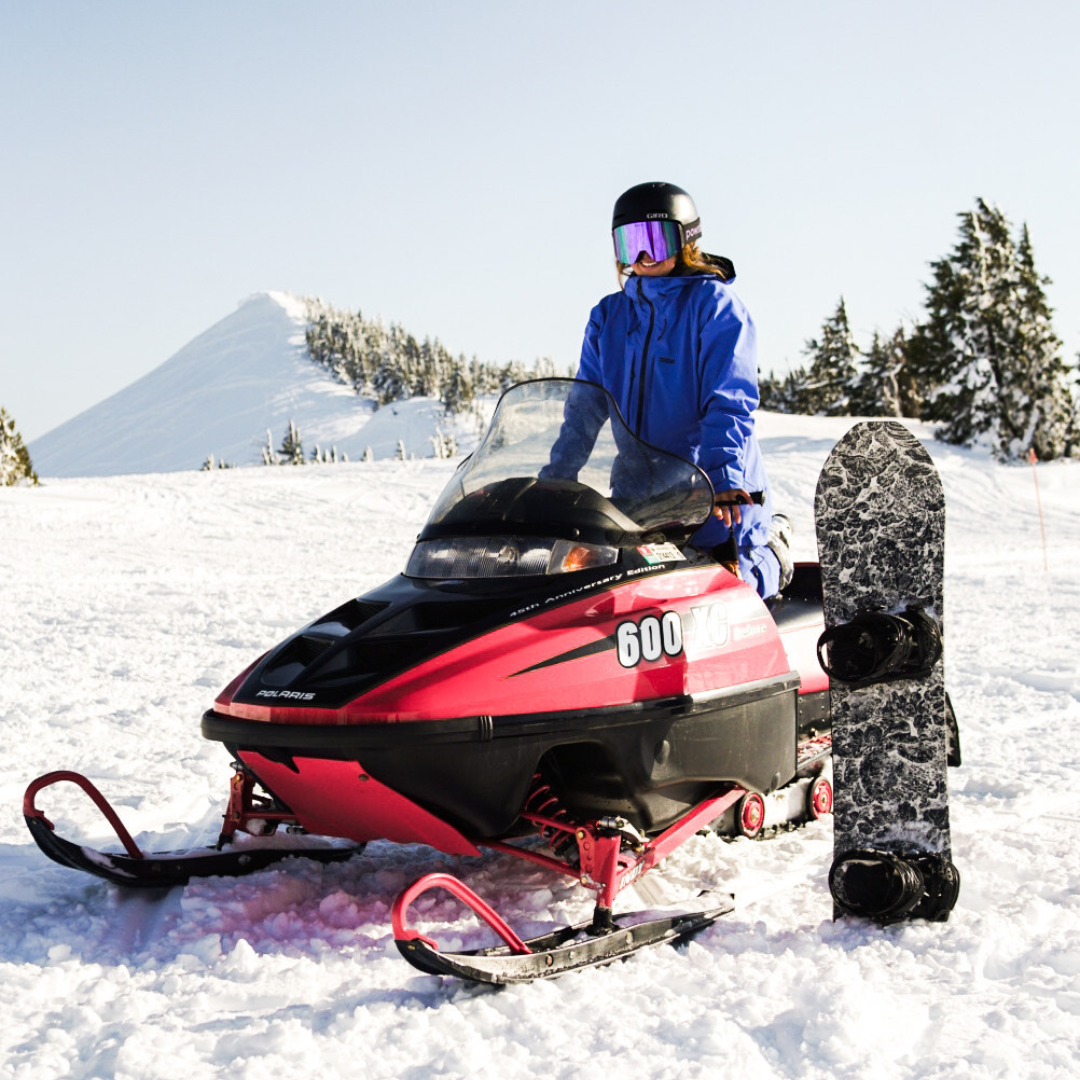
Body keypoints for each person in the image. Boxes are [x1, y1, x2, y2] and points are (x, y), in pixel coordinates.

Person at [563, 180, 792, 599]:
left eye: (653, 240)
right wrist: (556, 479)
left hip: (711, 493)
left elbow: (729, 402)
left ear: (686, 240)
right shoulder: (608, 316)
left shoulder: (714, 306)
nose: (642, 256)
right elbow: (584, 408)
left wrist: (724, 477)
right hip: (637, 501)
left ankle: (773, 553)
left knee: (726, 592)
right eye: (630, 244)